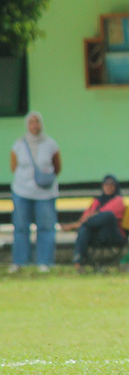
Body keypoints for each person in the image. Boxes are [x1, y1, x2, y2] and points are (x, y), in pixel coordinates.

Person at [9, 112, 61, 273]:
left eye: (37, 122)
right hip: (22, 191)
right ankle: (20, 261)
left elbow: (57, 167)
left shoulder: (50, 144)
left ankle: (44, 261)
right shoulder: (18, 145)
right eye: (31, 122)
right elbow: (13, 167)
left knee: (46, 227)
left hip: (45, 194)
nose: (34, 125)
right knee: (21, 227)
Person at [60, 175, 128, 272]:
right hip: (97, 235)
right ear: (102, 186)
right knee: (84, 229)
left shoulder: (118, 200)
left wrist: (90, 217)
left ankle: (73, 226)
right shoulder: (97, 201)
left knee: (107, 216)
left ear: (116, 186)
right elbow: (85, 217)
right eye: (106, 184)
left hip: (112, 235)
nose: (109, 187)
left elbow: (104, 215)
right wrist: (91, 216)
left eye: (112, 185)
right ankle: (78, 264)